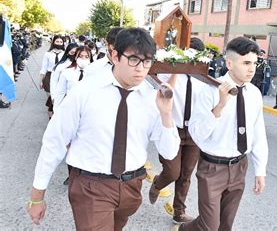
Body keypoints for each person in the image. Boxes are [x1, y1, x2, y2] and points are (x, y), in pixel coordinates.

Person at [27, 28, 180, 230]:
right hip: (91, 186)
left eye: (147, 61)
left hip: (131, 187)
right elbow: (55, 141)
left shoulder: (152, 98)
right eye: (134, 59)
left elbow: (169, 152)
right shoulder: (85, 91)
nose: (141, 68)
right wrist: (37, 195)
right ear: (115, 55)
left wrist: (166, 114)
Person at [177, 36, 268, 231]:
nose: (252, 69)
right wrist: (219, 106)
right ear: (229, 63)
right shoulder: (210, 89)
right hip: (212, 167)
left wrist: (260, 170)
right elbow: (196, 133)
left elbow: (258, 133)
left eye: (254, 63)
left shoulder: (254, 93)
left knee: (226, 225)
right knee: (209, 226)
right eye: (246, 63)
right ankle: (185, 229)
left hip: (239, 166)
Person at [148, 37, 206, 225]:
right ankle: (157, 183)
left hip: (193, 132)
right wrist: (178, 68)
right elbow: (167, 90)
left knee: (186, 174)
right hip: (172, 129)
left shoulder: (204, 78)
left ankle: (179, 212)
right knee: (173, 172)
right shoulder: (169, 73)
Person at [39, 35, 65, 118]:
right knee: (51, 97)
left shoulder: (65, 53)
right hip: (49, 76)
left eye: (61, 42)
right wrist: (41, 80)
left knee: (58, 96)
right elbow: (44, 67)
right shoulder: (48, 54)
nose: (59, 43)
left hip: (61, 76)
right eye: (57, 41)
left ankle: (56, 115)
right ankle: (51, 115)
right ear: (53, 42)